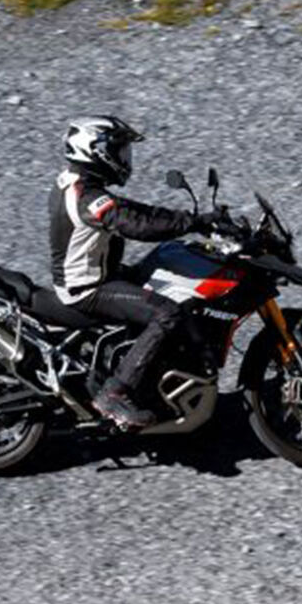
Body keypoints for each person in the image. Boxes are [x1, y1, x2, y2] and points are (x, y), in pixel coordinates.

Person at [49, 115, 217, 430]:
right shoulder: (85, 196)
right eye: (118, 150)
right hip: (88, 287)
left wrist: (191, 219)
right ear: (95, 150)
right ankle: (115, 392)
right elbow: (135, 224)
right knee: (166, 312)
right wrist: (191, 223)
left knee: (159, 278)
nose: (124, 158)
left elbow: (133, 210)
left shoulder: (80, 185)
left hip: (96, 275)